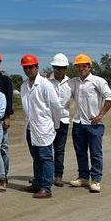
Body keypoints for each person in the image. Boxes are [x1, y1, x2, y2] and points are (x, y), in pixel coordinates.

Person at [19, 54, 64, 198]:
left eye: (31, 67)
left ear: (37, 67)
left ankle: (46, 187)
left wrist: (55, 124)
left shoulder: (45, 85)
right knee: (36, 157)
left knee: (45, 157)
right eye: (26, 68)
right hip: (30, 127)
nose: (29, 70)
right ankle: (37, 183)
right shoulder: (24, 86)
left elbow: (56, 107)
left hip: (43, 127)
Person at [68, 54, 111, 193]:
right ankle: (83, 177)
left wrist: (100, 115)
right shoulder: (74, 82)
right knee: (80, 152)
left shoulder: (98, 81)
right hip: (78, 123)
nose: (82, 68)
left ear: (90, 67)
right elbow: (61, 87)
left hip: (94, 124)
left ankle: (95, 180)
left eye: (84, 66)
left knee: (95, 153)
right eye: (79, 66)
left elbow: (110, 97)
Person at [48, 53, 73, 187]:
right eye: (56, 67)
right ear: (53, 67)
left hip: (63, 120)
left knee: (59, 150)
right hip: (48, 120)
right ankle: (44, 174)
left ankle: (58, 176)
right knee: (45, 149)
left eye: (61, 68)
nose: (58, 70)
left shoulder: (70, 83)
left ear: (66, 69)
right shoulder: (46, 81)